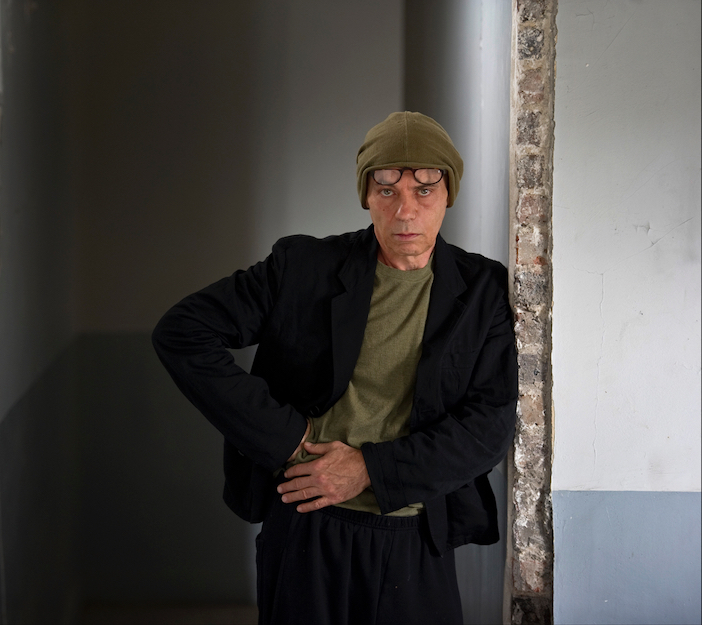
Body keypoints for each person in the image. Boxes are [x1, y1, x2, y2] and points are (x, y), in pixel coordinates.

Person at [152, 111, 518, 625]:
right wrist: (285, 437)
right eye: (387, 190)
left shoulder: (483, 290)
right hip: (305, 527)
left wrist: (369, 469)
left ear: (448, 194)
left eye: (424, 190)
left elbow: (488, 427)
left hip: (417, 537)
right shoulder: (303, 267)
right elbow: (182, 331)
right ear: (367, 195)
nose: (405, 211)